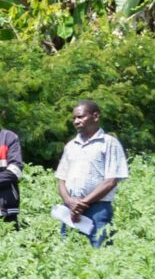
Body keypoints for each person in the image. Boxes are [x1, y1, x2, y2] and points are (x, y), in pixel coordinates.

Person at [54, 99, 129, 247]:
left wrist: (83, 203)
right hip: (70, 210)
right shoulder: (71, 146)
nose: (76, 121)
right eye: (74, 118)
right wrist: (70, 202)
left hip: (97, 209)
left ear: (95, 116)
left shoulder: (108, 143)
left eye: (81, 117)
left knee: (100, 254)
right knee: (67, 253)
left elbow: (110, 181)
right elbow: (61, 180)